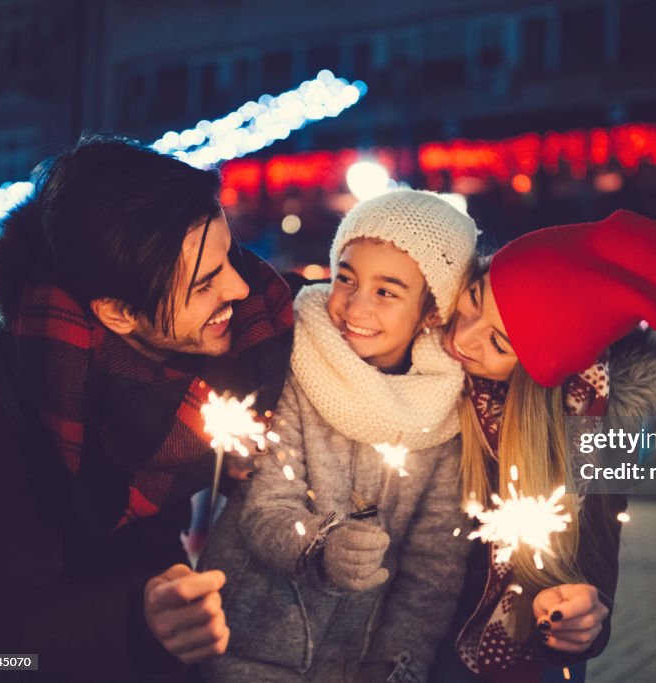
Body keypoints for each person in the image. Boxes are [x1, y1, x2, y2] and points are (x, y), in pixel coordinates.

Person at [0, 136, 295, 681]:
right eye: (205, 282)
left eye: (228, 255)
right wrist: (138, 619)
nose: (237, 284)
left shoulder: (248, 330)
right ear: (117, 313)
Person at [198, 190, 477, 682]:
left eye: (387, 291)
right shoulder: (297, 362)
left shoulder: (446, 410)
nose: (353, 305)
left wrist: (396, 667)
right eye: (345, 277)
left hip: (355, 665)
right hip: (246, 647)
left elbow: (433, 570)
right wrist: (320, 545)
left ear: (434, 310)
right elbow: (265, 507)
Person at [433, 210, 656, 682]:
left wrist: (582, 620)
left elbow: (590, 575)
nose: (462, 338)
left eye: (499, 342)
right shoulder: (422, 358)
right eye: (474, 298)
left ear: (538, 370)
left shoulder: (590, 432)